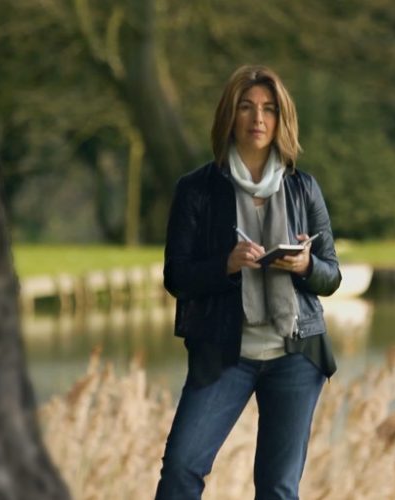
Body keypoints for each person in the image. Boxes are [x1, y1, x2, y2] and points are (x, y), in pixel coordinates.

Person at [154, 65, 340, 500]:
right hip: (223, 353)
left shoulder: (303, 188)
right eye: (247, 107)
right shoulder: (196, 190)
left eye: (269, 109)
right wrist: (226, 265)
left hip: (295, 353)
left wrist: (305, 266)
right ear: (230, 116)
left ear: (280, 119)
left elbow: (331, 275)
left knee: (278, 489)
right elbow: (176, 277)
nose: (258, 118)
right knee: (180, 470)